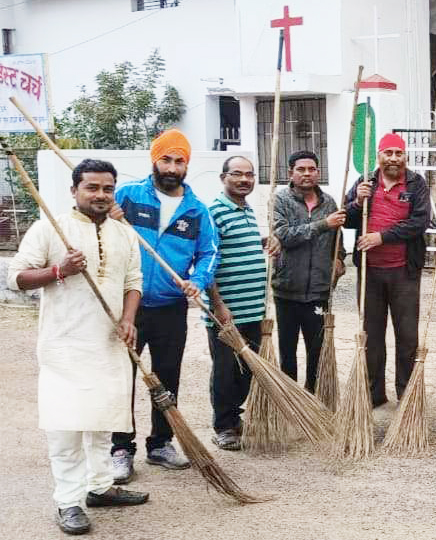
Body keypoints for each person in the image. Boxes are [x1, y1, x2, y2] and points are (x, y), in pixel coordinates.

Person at [8, 159, 150, 535]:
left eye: (107, 188)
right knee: (66, 426)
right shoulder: (50, 229)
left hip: (108, 344)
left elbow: (133, 282)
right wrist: (60, 271)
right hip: (65, 348)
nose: (100, 195)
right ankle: (68, 501)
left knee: (103, 420)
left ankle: (100, 486)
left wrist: (128, 319)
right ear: (74, 191)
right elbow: (16, 278)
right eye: (92, 187)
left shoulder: (124, 233)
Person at [111, 129, 219, 482]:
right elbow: (95, 226)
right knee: (122, 377)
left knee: (167, 375)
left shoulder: (196, 210)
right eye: (166, 159)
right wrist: (107, 215)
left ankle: (160, 443)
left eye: (180, 161)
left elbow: (208, 254)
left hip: (171, 307)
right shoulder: (126, 197)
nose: (172, 167)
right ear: (154, 160)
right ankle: (120, 448)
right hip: (129, 304)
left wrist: (197, 281)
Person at [345, 133, 430, 407]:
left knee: (407, 336)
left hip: (404, 271)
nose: (394, 158)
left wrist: (381, 237)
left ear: (405, 156)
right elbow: (346, 219)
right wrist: (357, 202)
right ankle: (374, 393)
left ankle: (406, 393)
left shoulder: (416, 184)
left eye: (398, 153)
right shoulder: (364, 182)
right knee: (371, 334)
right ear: (379, 156)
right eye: (388, 153)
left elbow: (419, 222)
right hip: (369, 272)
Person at [205, 156, 279, 450]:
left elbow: (238, 246)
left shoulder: (246, 210)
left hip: (253, 309)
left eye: (249, 175)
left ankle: (235, 420)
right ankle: (223, 425)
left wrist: (265, 241)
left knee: (246, 369)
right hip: (227, 310)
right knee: (225, 370)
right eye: (237, 174)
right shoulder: (214, 212)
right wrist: (218, 305)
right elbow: (207, 261)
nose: (244, 180)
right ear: (223, 177)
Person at [272, 150, 346, 392]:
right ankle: (290, 397)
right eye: (300, 169)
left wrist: (339, 258)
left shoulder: (330, 203)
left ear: (318, 172)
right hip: (287, 290)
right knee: (288, 351)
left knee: (316, 349)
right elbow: (284, 236)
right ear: (290, 173)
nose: (306, 174)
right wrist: (323, 224)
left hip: (318, 291)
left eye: (311, 169)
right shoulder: (280, 201)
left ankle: (312, 396)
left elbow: (338, 237)